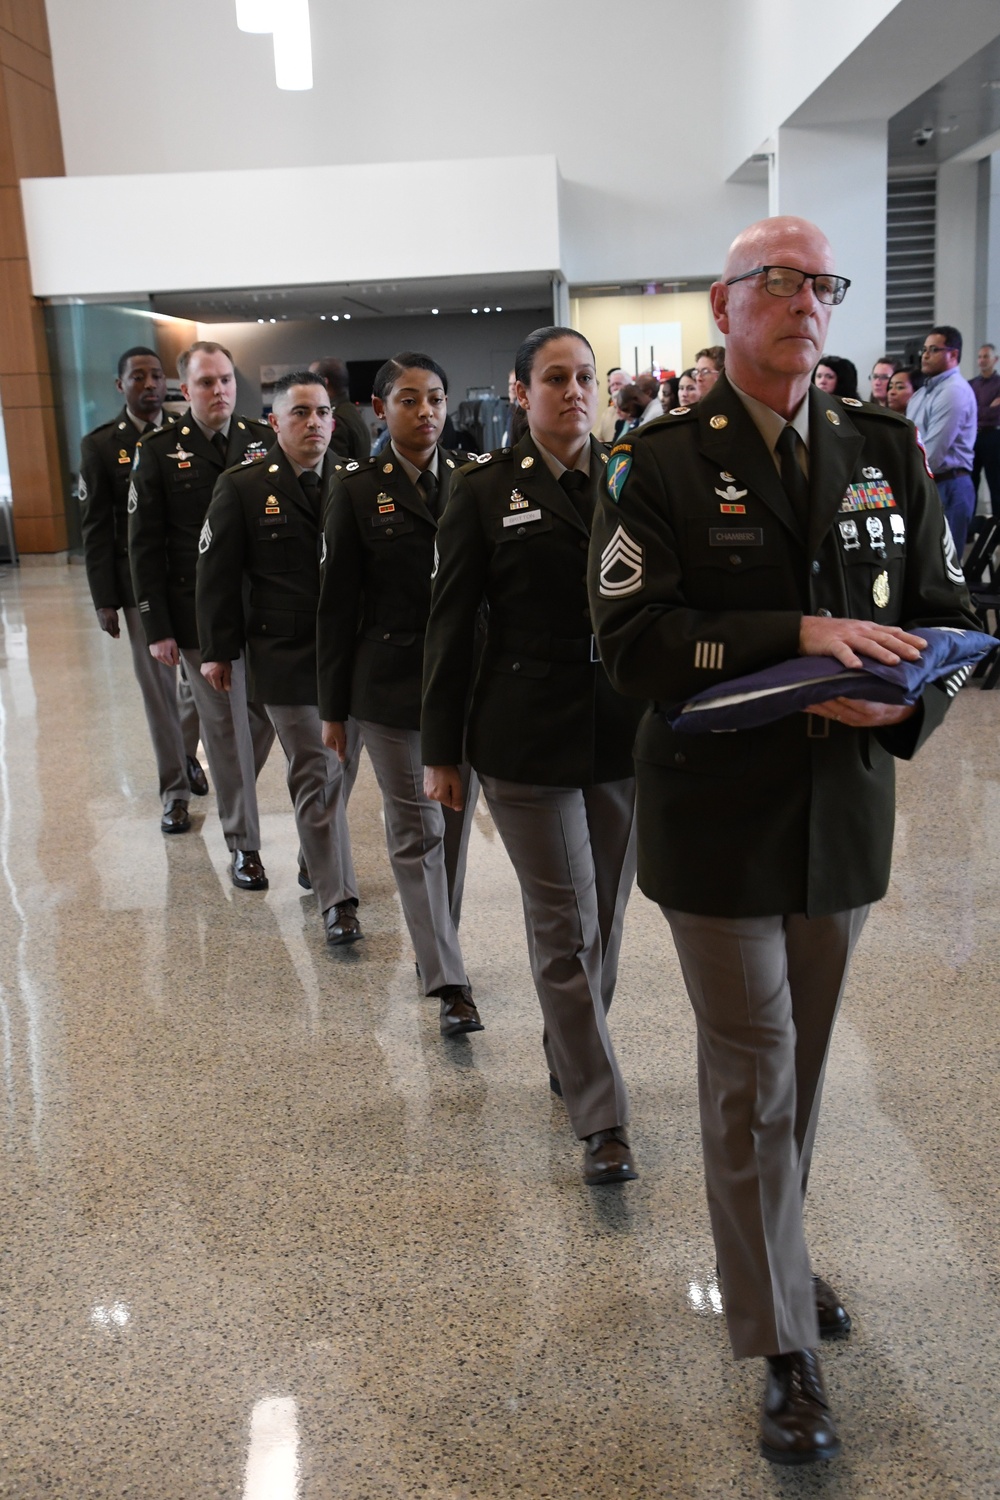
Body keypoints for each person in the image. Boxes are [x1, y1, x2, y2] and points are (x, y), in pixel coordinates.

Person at [589, 216, 977, 1465]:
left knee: (797, 1071)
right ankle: (779, 1344)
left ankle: (780, 1258)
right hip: (715, 817)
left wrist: (905, 694)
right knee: (752, 1068)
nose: (806, 301)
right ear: (723, 304)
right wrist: (797, 637)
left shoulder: (879, 450)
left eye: (823, 284)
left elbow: (950, 613)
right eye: (779, 280)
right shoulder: (657, 461)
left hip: (841, 816)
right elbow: (634, 643)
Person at [422, 325, 643, 1187]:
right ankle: (603, 1115)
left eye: (586, 377)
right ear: (521, 392)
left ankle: (571, 1045)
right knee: (563, 925)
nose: (574, 392)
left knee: (607, 922)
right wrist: (442, 749)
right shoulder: (482, 491)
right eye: (555, 378)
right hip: (521, 734)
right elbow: (450, 622)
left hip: (620, 728)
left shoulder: (634, 476)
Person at [317, 353, 477, 1017]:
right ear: (380, 409)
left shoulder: (474, 480)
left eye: (436, 398)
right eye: (409, 400)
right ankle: (449, 982)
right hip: (389, 687)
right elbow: (336, 605)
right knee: (417, 832)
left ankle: (437, 944)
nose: (427, 412)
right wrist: (334, 710)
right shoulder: (356, 488)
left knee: (455, 825)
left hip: (467, 683)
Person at [196, 371, 362, 943]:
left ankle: (316, 858)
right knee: (317, 769)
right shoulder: (242, 486)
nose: (312, 423)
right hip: (284, 654)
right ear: (274, 422)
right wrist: (218, 651)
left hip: (353, 657)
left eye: (321, 413)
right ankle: (339, 902)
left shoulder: (355, 480)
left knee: (340, 774)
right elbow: (215, 575)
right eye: (299, 413)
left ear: (334, 421)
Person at [129, 340, 276, 888]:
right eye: (207, 383)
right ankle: (245, 845)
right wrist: (157, 627)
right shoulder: (160, 448)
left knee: (258, 720)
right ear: (185, 390)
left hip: (262, 610)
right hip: (197, 617)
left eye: (226, 381)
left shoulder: (261, 441)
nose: (219, 391)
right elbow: (142, 545)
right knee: (227, 728)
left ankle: (225, 781)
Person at [79, 347, 208, 832]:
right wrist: (105, 598)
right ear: (121, 386)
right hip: (139, 589)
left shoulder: (185, 434)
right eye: (138, 377)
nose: (150, 384)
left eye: (157, 376)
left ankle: (186, 753)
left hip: (192, 582)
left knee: (197, 687)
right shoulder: (100, 446)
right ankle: (174, 790)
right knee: (158, 693)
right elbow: (95, 528)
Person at [907, 326, 978, 555]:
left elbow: (933, 454)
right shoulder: (921, 394)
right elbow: (909, 442)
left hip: (950, 485)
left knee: (945, 568)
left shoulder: (953, 391)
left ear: (953, 355)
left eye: (934, 350)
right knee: (923, 561)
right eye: (924, 350)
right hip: (929, 482)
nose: (925, 355)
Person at [309, 357, 370, 462]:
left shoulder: (333, 419)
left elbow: (333, 469)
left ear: (324, 382)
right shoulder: (350, 411)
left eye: (311, 381)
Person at [970, 342, 1000, 518]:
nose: (982, 360)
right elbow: (968, 412)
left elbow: (996, 414)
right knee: (970, 482)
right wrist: (988, 409)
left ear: (995, 359)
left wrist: (979, 410)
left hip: (993, 436)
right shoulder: (971, 384)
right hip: (973, 436)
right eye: (979, 356)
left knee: (995, 483)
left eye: (985, 356)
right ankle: (968, 530)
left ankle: (996, 531)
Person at [593, 367, 632, 444]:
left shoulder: (634, 412)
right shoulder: (607, 412)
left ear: (629, 386)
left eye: (618, 384)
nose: (615, 388)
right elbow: (599, 438)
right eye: (612, 385)